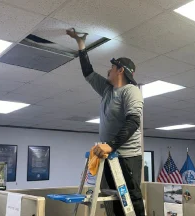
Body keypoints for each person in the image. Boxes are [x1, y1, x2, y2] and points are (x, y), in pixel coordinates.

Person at [66, 28, 145, 216]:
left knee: (130, 199)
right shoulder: (108, 90)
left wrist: (111, 145)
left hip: (127, 156)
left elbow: (133, 122)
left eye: (112, 67)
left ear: (120, 70)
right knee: (113, 201)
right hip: (109, 156)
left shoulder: (131, 91)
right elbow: (88, 73)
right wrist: (81, 44)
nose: (108, 70)